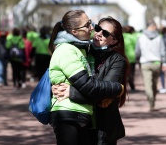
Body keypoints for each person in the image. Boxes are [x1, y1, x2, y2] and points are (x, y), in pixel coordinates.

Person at [48, 10, 124, 145]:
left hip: (103, 127)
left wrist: (72, 93)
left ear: (114, 40)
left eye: (105, 33)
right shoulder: (78, 49)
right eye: (98, 28)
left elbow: (102, 97)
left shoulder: (116, 60)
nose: (98, 33)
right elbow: (58, 80)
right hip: (83, 121)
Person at [135, 20, 166, 111]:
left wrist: (138, 61)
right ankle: (153, 100)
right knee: (155, 84)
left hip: (145, 63)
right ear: (153, 26)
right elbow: (163, 51)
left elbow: (137, 52)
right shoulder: (159, 37)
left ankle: (151, 102)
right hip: (157, 63)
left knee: (148, 84)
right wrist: (164, 63)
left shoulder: (141, 37)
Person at [159, 27, 166, 93]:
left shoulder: (161, 38)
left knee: (162, 74)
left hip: (163, 58)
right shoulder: (161, 38)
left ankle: (163, 87)